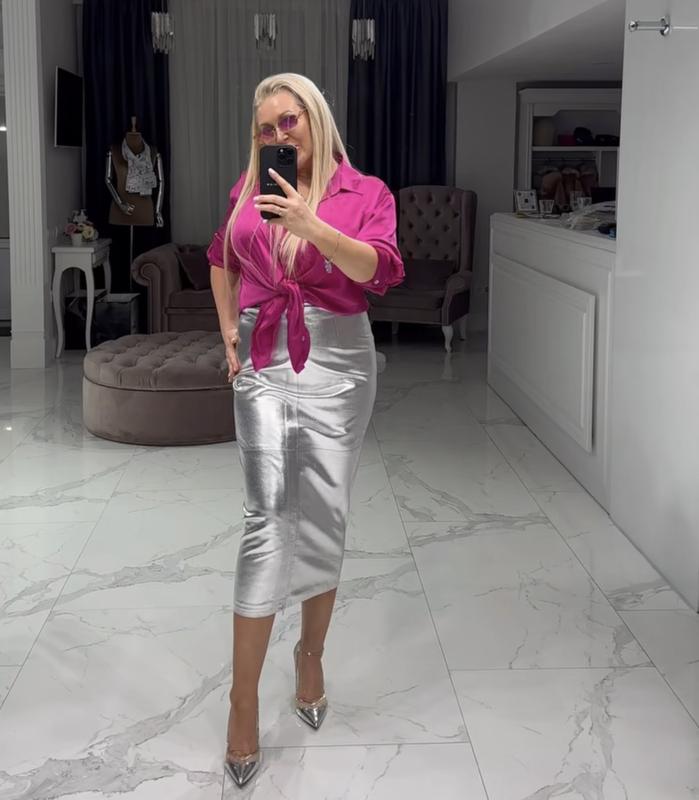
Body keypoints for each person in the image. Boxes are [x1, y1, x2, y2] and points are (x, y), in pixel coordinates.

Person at [208, 72, 404, 788]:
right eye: (266, 128)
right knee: (266, 516)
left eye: (288, 121)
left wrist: (310, 223)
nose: (277, 136)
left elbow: (381, 271)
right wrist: (229, 332)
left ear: (315, 119)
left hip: (341, 361)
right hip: (265, 354)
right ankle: (242, 701)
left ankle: (310, 657)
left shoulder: (366, 192)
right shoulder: (250, 187)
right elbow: (220, 258)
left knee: (324, 510)